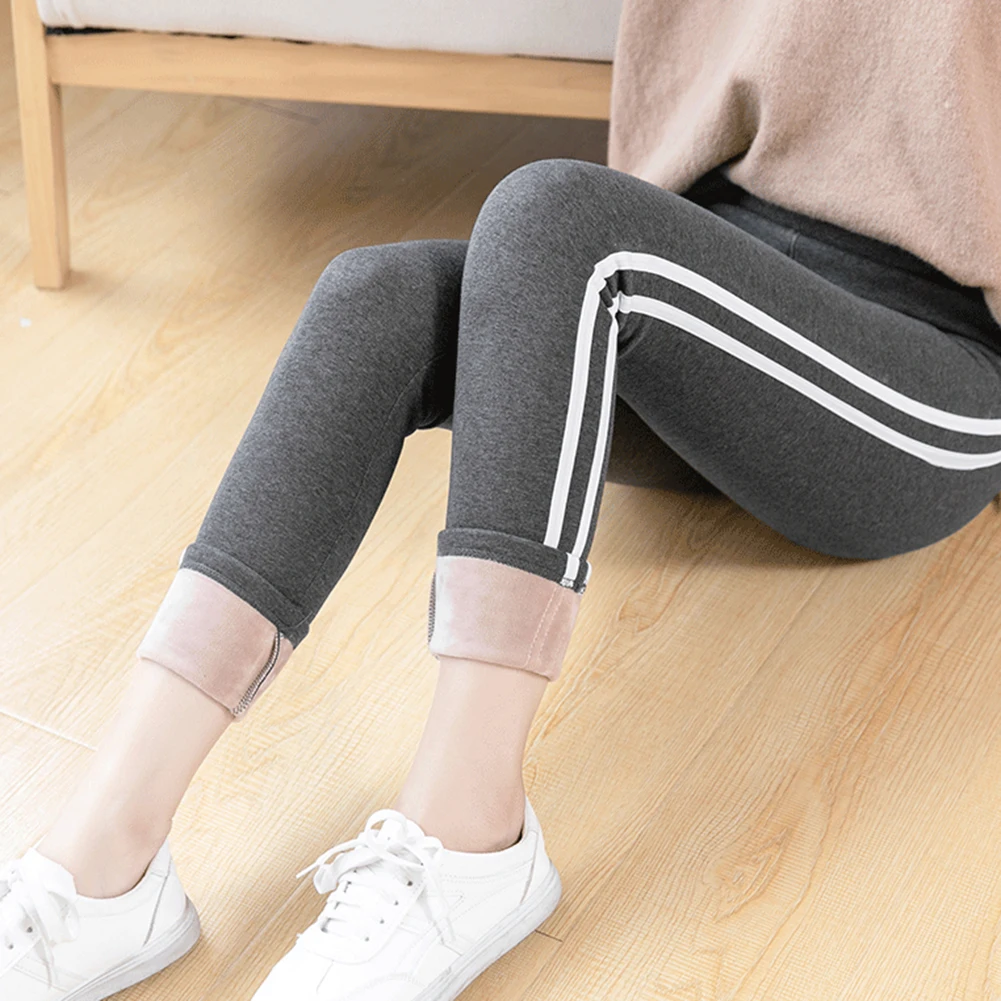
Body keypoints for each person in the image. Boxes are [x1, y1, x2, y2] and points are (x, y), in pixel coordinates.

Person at [3, 1, 1000, 999]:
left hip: (926, 362)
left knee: (557, 212)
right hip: (704, 268)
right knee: (377, 297)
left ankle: (469, 835)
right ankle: (102, 861)